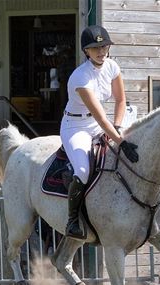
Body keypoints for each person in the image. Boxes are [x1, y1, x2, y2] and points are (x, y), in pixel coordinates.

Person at [61, 25, 139, 239]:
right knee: (84, 170)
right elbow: (100, 117)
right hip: (76, 127)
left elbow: (121, 100)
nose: (101, 51)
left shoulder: (113, 67)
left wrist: (119, 127)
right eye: (95, 47)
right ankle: (72, 220)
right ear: (86, 51)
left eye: (104, 46)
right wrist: (120, 141)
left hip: (101, 123)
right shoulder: (80, 78)